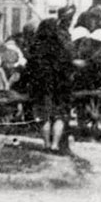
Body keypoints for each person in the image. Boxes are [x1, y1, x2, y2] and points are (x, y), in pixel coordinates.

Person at [26, 14, 78, 154]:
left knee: (44, 116)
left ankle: (47, 145)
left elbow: (29, 68)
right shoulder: (62, 47)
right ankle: (55, 144)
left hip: (42, 86)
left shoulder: (36, 46)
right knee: (59, 116)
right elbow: (69, 65)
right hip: (61, 86)